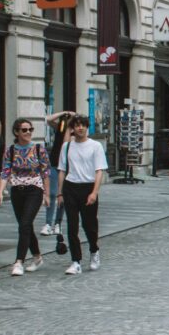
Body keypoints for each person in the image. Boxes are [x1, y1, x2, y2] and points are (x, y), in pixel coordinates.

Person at [0, 117, 50, 275]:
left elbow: (45, 173)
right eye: (24, 130)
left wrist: (47, 195)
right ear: (16, 132)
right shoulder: (11, 151)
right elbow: (5, 172)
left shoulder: (39, 149)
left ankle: (19, 261)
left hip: (35, 190)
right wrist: (0, 192)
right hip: (17, 191)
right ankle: (38, 257)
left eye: (30, 130)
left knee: (25, 224)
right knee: (25, 226)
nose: (28, 133)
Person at [57, 115, 107, 275]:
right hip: (70, 187)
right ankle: (76, 261)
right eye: (77, 125)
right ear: (72, 128)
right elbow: (62, 170)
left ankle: (94, 251)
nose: (80, 128)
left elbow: (99, 171)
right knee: (72, 226)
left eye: (83, 125)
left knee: (89, 225)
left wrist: (94, 192)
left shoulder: (95, 146)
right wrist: (59, 192)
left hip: (88, 187)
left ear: (87, 127)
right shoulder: (66, 146)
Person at [41, 110, 74, 237]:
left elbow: (66, 144)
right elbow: (48, 119)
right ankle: (48, 223)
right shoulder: (60, 128)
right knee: (52, 193)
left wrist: (70, 124)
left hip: (68, 168)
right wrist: (64, 113)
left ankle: (58, 223)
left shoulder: (74, 133)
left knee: (62, 194)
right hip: (54, 164)